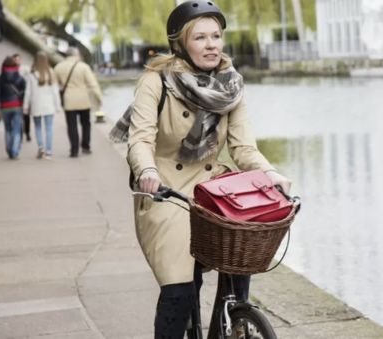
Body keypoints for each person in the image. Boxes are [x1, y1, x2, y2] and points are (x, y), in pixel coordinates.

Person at [109, 1, 292, 337]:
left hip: (211, 186)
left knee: (240, 252)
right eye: (201, 37)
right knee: (179, 292)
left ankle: (234, 320)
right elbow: (140, 140)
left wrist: (271, 175)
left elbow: (243, 148)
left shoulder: (230, 84)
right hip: (166, 189)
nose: (211, 45)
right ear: (181, 43)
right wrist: (146, 171)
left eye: (216, 36)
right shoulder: (155, 81)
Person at [54, 47, 102, 157]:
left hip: (68, 99)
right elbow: (92, 84)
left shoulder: (58, 67)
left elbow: (55, 84)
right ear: (76, 55)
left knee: (71, 125)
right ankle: (85, 146)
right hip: (83, 99)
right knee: (86, 124)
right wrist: (99, 97)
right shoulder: (83, 67)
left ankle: (74, 150)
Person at [23, 51, 63, 159]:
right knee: (49, 128)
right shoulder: (51, 72)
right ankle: (49, 152)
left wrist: (25, 105)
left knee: (37, 127)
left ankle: (41, 147)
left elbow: (28, 91)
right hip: (49, 105)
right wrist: (58, 106)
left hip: (36, 105)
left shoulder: (31, 74)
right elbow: (55, 91)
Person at [0, 56, 26, 159]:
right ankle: (14, 151)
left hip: (4, 107)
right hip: (17, 106)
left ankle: (9, 149)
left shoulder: (0, 79)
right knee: (17, 129)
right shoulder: (20, 78)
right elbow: (24, 92)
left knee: (8, 129)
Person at [12, 53, 31, 142]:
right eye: (15, 60)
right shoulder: (10, 70)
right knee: (17, 116)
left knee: (26, 115)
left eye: (19, 59)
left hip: (24, 94)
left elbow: (30, 78)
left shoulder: (25, 69)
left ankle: (27, 132)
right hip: (14, 95)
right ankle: (19, 134)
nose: (17, 61)